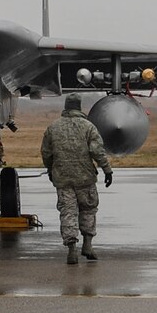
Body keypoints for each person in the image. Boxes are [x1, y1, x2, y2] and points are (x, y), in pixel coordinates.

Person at [40, 94, 112, 264]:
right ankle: (87, 245)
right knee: (88, 210)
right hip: (85, 178)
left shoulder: (53, 128)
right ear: (79, 107)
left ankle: (71, 250)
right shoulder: (88, 127)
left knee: (68, 212)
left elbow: (46, 153)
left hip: (63, 178)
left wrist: (51, 170)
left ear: (66, 107)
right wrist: (107, 170)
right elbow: (97, 151)